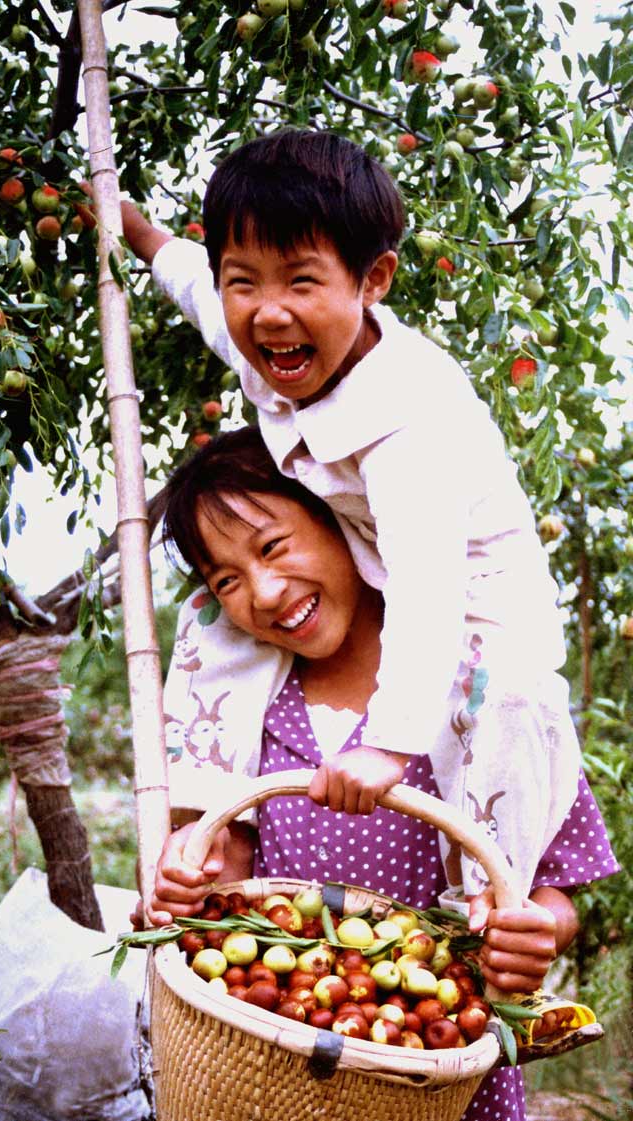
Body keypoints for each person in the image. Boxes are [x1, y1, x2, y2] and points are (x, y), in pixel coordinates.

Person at [121, 129, 581, 902]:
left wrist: (389, 746)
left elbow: (428, 589)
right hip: (380, 558)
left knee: (501, 710)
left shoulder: (407, 422)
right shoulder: (268, 340)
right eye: (244, 281)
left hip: (477, 596)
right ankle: (203, 825)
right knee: (217, 612)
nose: (269, 312)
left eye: (301, 281)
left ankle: (484, 901)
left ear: (374, 281)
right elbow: (193, 285)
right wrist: (130, 227)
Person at [145, 426, 619, 1121]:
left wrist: (535, 931)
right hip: (287, 1070)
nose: (265, 592)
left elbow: (556, 880)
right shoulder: (248, 707)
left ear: (347, 520)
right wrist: (187, 882)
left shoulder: (481, 691)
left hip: (443, 1068)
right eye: (226, 581)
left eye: (272, 546)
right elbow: (230, 873)